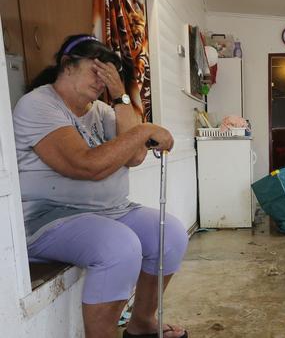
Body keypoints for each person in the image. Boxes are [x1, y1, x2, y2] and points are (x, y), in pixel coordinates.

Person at [13, 34, 189, 338]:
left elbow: (134, 156)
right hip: (50, 218)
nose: (101, 80)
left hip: (111, 210)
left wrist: (120, 97)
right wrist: (145, 128)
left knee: (169, 234)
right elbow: (86, 165)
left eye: (108, 74)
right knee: (119, 247)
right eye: (96, 70)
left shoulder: (101, 110)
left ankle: (143, 324)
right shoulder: (38, 105)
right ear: (68, 65)